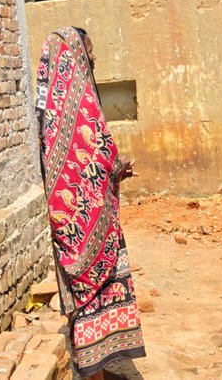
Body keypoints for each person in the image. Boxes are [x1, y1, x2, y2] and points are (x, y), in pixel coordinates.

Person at [35, 27, 145, 379]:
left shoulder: (48, 103)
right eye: (91, 50)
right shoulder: (79, 102)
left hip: (67, 223)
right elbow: (96, 153)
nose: (95, 57)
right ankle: (94, 371)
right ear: (76, 54)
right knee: (94, 292)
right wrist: (117, 166)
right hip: (89, 223)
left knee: (79, 300)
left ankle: (93, 369)